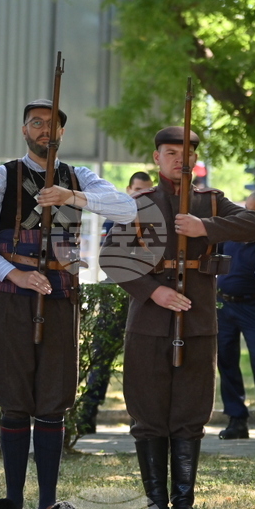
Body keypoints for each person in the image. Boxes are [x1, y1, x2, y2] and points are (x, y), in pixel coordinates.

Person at [0, 99, 136, 509]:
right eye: (36, 123)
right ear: (24, 131)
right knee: (14, 397)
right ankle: (13, 500)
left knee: (53, 398)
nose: (44, 130)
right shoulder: (3, 176)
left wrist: (71, 196)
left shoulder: (81, 178)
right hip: (11, 298)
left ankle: (48, 503)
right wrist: (13, 273)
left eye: (51, 124)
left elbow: (127, 208)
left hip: (61, 297)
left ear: (61, 132)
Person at [100, 126, 255, 509]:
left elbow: (254, 224)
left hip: (198, 320)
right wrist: (152, 291)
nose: (179, 160)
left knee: (191, 413)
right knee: (149, 413)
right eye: (170, 153)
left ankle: (184, 505)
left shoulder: (211, 202)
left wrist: (205, 227)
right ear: (157, 159)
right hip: (149, 321)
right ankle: (155, 503)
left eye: (186, 153)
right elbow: (111, 259)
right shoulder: (138, 204)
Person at [76, 171, 156, 435]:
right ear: (128, 189)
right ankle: (88, 413)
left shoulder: (156, 221)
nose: (140, 196)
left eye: (146, 191)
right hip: (114, 292)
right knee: (102, 356)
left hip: (145, 295)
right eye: (137, 190)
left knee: (144, 360)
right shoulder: (116, 218)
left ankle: (142, 417)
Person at [216, 189, 255, 442]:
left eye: (254, 213)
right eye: (246, 210)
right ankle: (236, 420)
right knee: (226, 361)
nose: (247, 217)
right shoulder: (232, 230)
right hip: (224, 306)